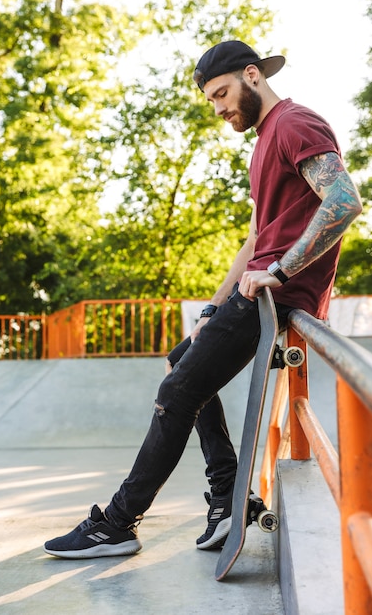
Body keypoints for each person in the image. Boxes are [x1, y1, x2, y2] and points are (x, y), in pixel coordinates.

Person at [44, 40, 362, 559]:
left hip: (276, 296)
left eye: (222, 93)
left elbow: (344, 200)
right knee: (181, 364)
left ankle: (118, 523)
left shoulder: (293, 123)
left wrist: (281, 272)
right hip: (257, 293)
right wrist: (212, 309)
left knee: (177, 392)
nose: (218, 109)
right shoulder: (265, 142)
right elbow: (259, 236)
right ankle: (225, 496)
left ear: (253, 76)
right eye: (211, 100)